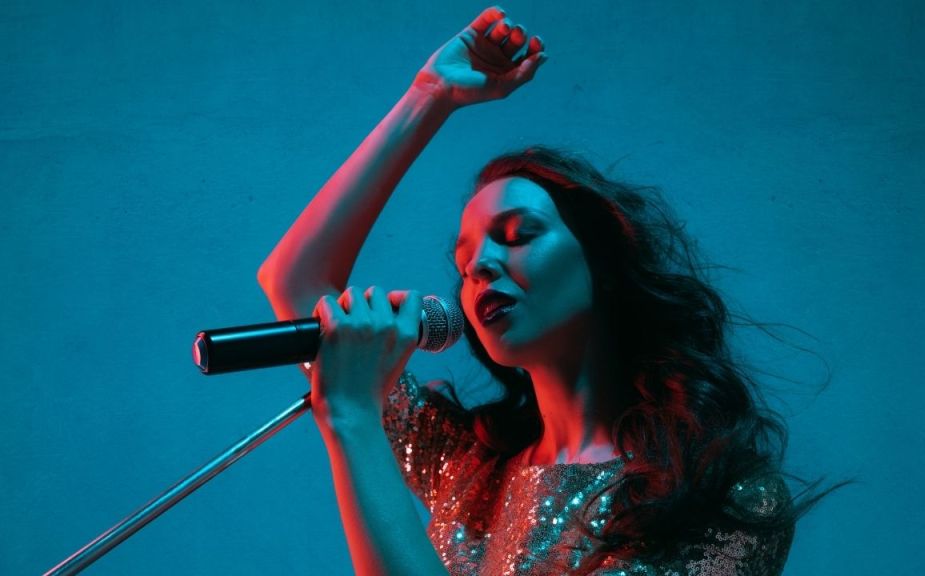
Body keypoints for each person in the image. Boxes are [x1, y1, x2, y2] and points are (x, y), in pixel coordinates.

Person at [258, 7, 834, 575]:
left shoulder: (723, 497)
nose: (480, 265)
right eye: (463, 265)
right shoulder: (470, 467)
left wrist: (354, 420)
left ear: (603, 261)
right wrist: (429, 97)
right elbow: (295, 282)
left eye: (515, 236)